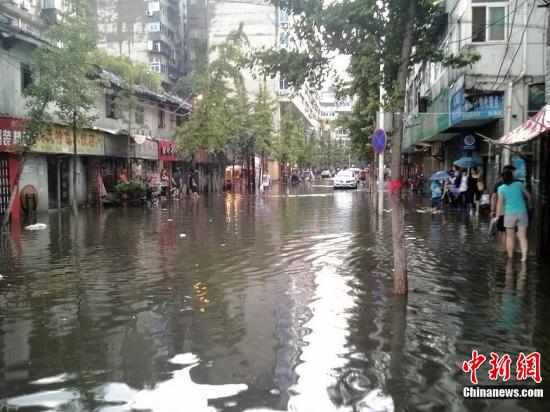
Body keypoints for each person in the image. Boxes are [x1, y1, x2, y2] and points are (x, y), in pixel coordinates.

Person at [494, 169, 532, 262]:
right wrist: (530, 205)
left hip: (509, 213)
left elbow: (499, 203)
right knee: (522, 237)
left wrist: (497, 216)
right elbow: (529, 196)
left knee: (509, 237)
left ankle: (510, 257)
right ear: (512, 177)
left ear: (502, 178)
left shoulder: (501, 188)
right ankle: (524, 258)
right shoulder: (519, 185)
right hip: (522, 212)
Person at [491, 165, 517, 249]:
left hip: (501, 211)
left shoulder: (498, 183)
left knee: (503, 232)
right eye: (513, 172)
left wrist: (493, 210)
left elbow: (494, 197)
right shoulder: (517, 183)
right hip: (513, 210)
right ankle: (513, 249)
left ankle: (505, 250)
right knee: (514, 231)